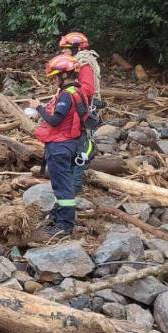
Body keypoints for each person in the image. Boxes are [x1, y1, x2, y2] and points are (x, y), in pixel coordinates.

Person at [29, 55, 88, 238]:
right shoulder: (77, 91)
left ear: (64, 75)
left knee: (63, 187)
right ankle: (58, 217)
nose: (54, 80)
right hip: (71, 143)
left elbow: (55, 120)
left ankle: (64, 226)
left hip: (60, 146)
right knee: (62, 184)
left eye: (55, 76)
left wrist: (38, 108)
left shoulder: (66, 95)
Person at [59, 32, 101, 194]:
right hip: (77, 109)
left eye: (66, 49)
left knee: (83, 146)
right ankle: (71, 180)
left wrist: (68, 94)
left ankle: (75, 184)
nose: (63, 52)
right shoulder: (76, 63)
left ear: (76, 49)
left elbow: (88, 89)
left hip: (83, 111)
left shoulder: (84, 64)